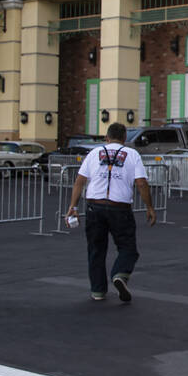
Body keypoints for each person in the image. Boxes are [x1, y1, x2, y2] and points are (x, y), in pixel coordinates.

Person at [66, 122, 156, 303]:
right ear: (124, 139)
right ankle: (120, 274)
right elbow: (141, 183)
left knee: (96, 249)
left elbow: (79, 181)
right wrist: (149, 207)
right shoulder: (132, 154)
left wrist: (73, 207)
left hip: (94, 206)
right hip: (119, 208)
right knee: (127, 247)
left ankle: (97, 291)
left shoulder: (93, 154)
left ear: (106, 138)